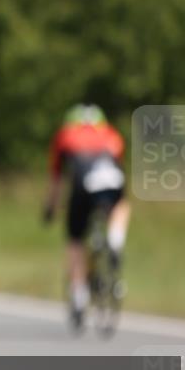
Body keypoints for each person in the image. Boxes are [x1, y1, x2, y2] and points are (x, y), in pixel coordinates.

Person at [43, 103, 131, 329]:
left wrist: (50, 209)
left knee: (75, 240)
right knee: (121, 206)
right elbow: (118, 164)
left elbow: (56, 179)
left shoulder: (65, 135)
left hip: (83, 183)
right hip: (111, 178)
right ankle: (115, 240)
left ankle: (79, 295)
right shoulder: (111, 133)